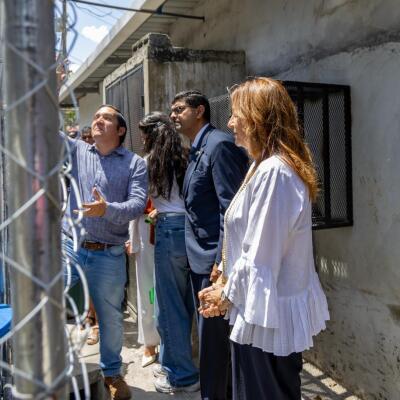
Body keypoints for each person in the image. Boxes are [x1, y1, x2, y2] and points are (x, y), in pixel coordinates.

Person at [198, 77, 330, 400]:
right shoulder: (261, 165)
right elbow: (246, 243)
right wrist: (224, 279)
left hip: (267, 319)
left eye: (236, 114)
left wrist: (224, 295)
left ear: (258, 118)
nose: (230, 123)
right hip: (258, 311)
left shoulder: (275, 172)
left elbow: (260, 256)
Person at [62, 104, 147, 400]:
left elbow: (137, 204)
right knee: (47, 296)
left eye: (106, 117)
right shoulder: (76, 150)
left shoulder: (135, 163)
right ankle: (50, 363)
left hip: (108, 253)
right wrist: (49, 88)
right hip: (71, 244)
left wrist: (106, 209)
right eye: (96, 115)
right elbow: (46, 130)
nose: (98, 119)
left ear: (120, 130)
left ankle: (111, 374)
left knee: (110, 319)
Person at [170, 91, 249, 400]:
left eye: (180, 109)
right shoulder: (197, 148)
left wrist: (222, 261)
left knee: (214, 347)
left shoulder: (219, 145)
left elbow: (230, 210)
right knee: (212, 344)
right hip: (199, 258)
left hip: (214, 263)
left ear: (200, 110)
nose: (173, 115)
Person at [138, 112, 199, 393]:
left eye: (144, 135)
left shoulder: (149, 161)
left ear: (151, 135)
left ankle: (183, 376)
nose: (142, 140)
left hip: (168, 230)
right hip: (189, 229)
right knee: (184, 304)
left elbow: (140, 200)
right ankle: (172, 363)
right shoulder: (185, 155)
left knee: (169, 309)